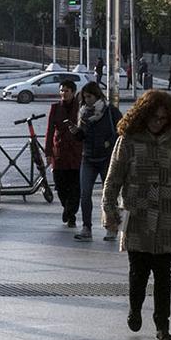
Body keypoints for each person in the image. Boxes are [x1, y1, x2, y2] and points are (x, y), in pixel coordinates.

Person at [102, 90, 171, 340]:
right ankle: (134, 309)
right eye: (154, 117)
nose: (158, 122)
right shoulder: (129, 140)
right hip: (138, 216)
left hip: (167, 216)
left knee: (164, 275)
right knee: (138, 272)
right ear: (144, 115)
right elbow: (113, 178)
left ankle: (162, 326)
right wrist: (109, 209)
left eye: (163, 118)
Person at [71, 83, 120, 242]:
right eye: (84, 97)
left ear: (97, 95)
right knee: (85, 194)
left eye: (89, 97)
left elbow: (122, 129)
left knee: (109, 195)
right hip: (88, 157)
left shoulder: (109, 111)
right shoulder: (83, 113)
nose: (87, 100)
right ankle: (86, 228)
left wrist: (108, 142)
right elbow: (82, 136)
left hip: (106, 158)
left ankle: (111, 227)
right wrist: (76, 133)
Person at [44, 80, 84, 228]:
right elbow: (49, 131)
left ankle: (71, 213)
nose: (64, 93)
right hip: (59, 152)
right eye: (62, 90)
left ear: (73, 92)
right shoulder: (55, 108)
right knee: (60, 185)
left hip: (76, 153)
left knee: (75, 187)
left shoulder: (80, 108)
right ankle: (66, 208)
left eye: (67, 91)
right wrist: (48, 152)